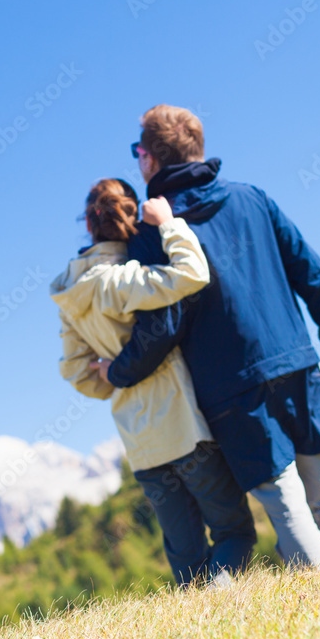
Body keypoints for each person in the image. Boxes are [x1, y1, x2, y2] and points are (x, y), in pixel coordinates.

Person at [93, 105, 320, 567]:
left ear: (150, 160)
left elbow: (162, 325)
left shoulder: (151, 232)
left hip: (232, 390)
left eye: (138, 153)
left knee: (287, 510)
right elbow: (311, 272)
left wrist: (118, 372)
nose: (138, 162)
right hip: (298, 363)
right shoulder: (253, 199)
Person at [50, 178, 256, 585]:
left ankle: (199, 632)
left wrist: (112, 378)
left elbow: (74, 369)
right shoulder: (123, 279)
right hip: (183, 426)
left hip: (139, 442)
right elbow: (193, 272)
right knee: (234, 532)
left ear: (89, 225)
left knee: (186, 555)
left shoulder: (71, 294)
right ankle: (220, 607)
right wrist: (169, 224)